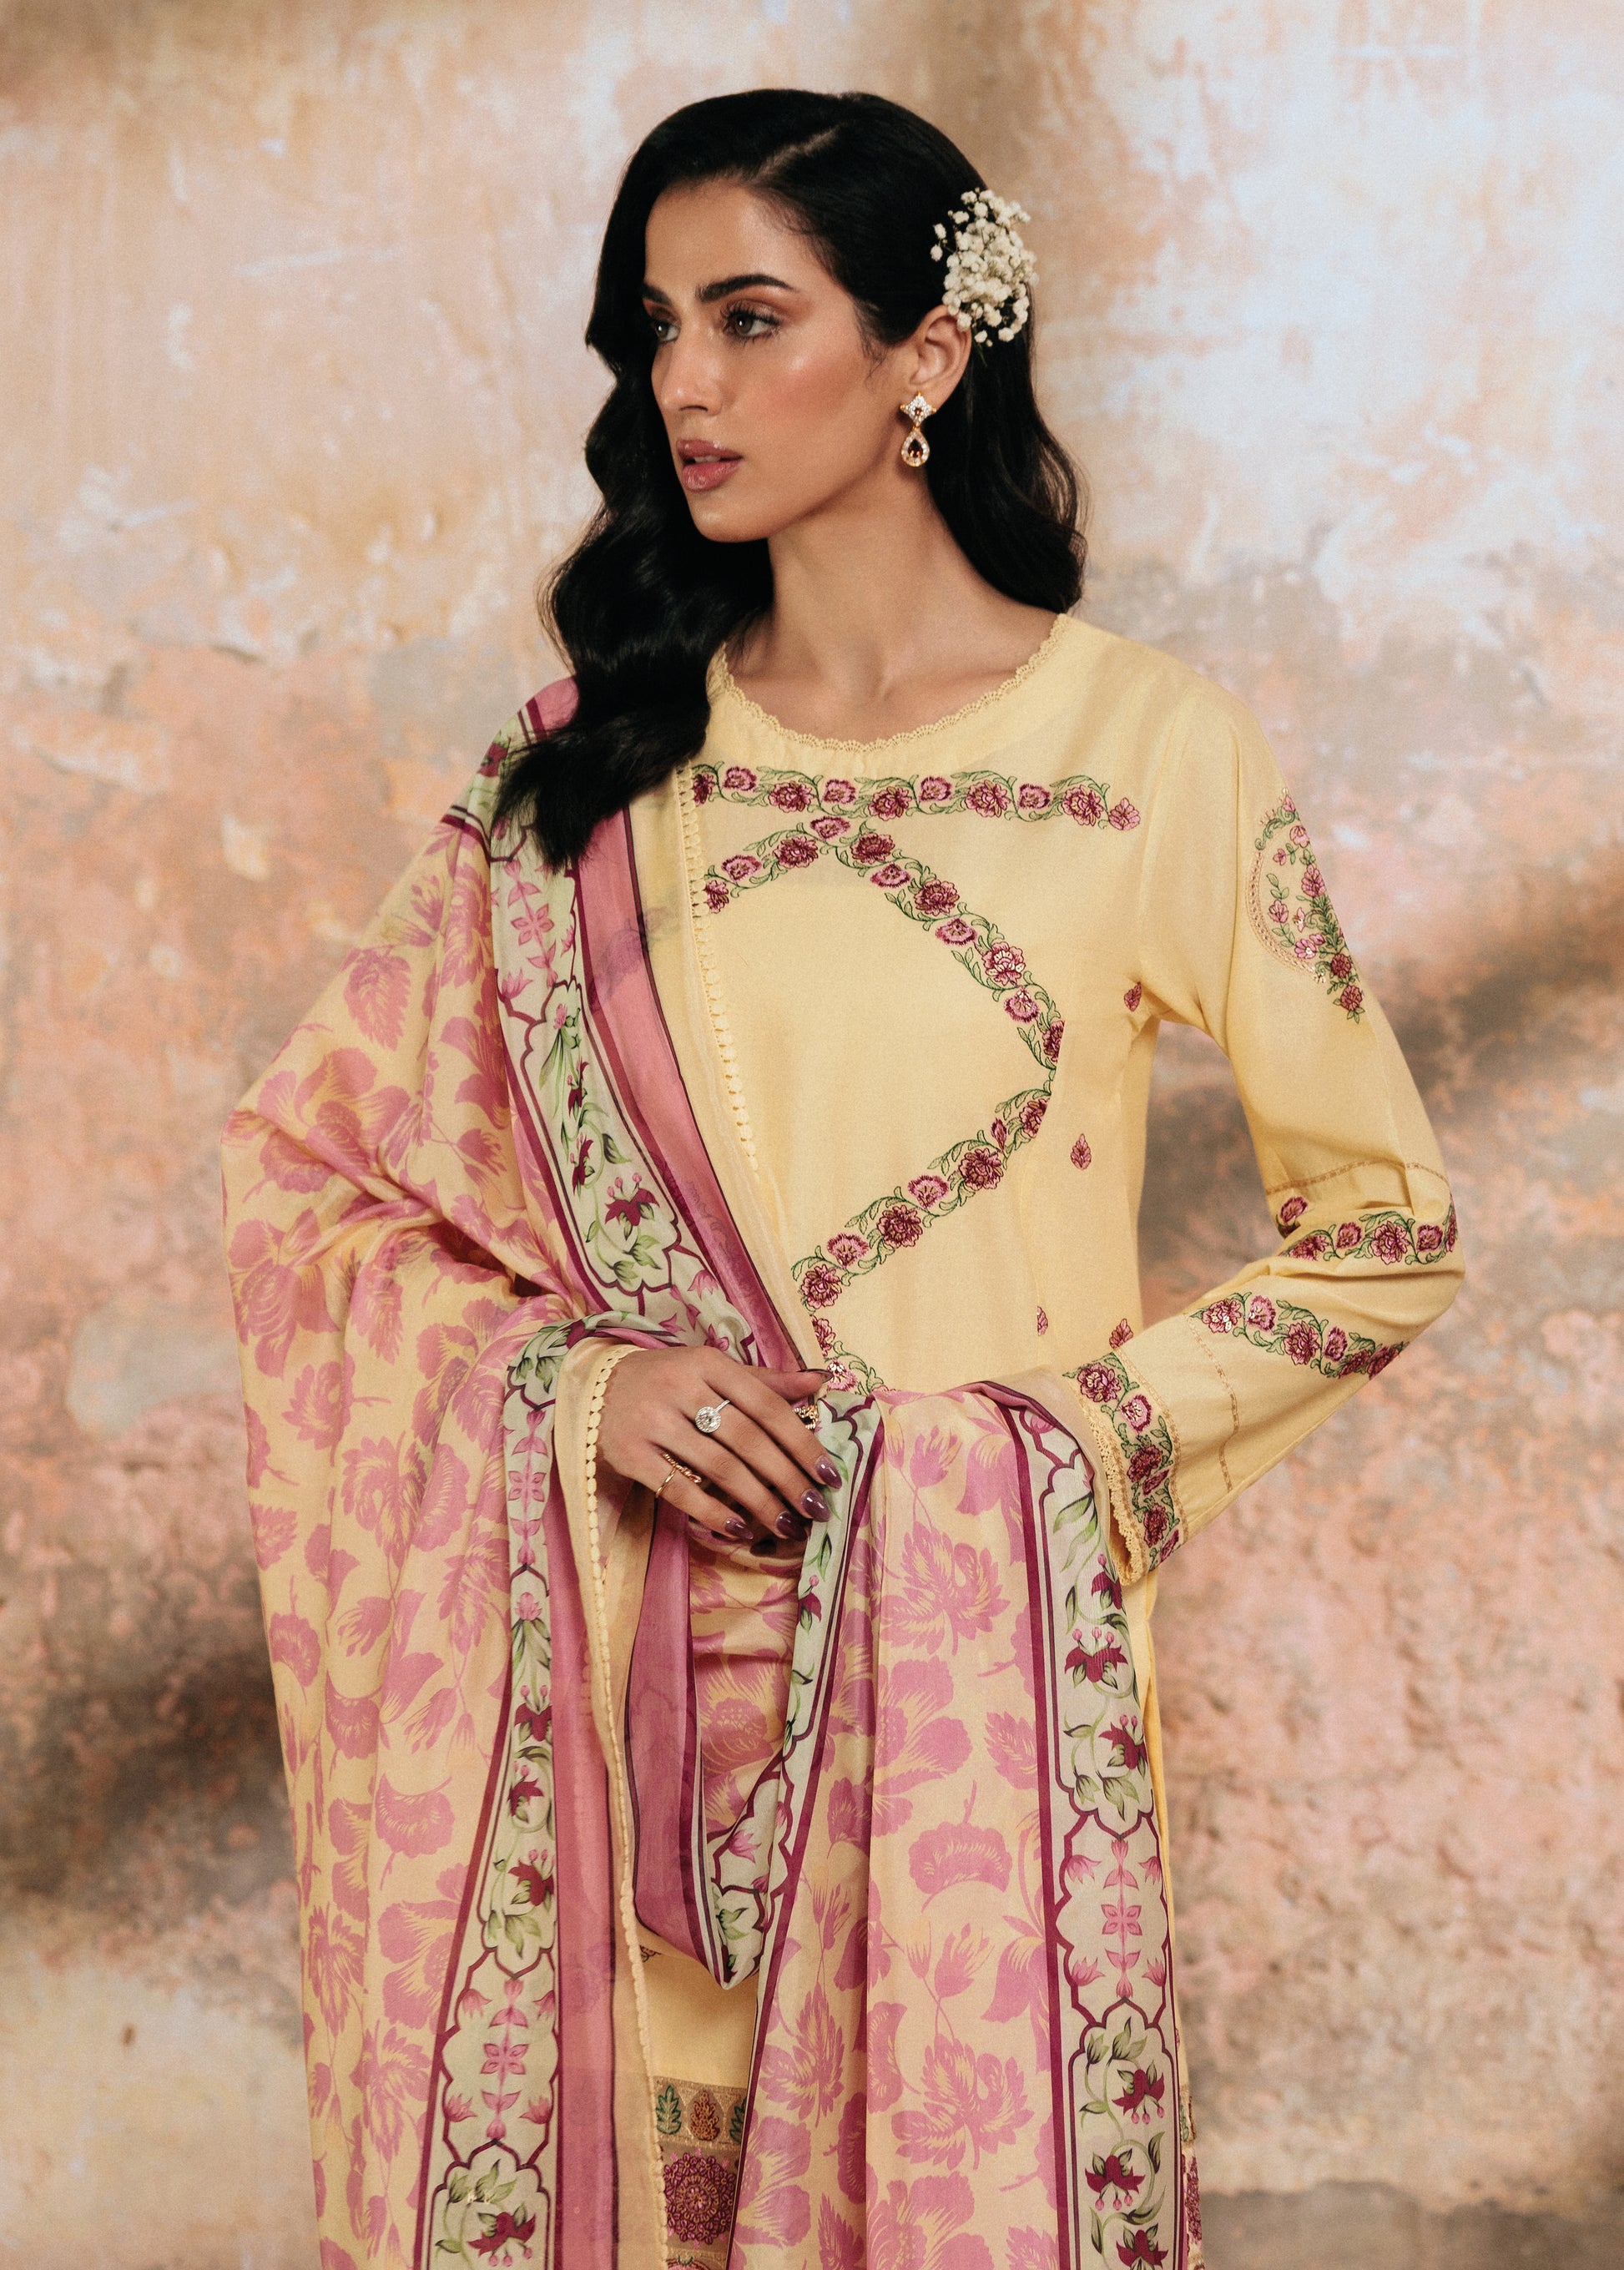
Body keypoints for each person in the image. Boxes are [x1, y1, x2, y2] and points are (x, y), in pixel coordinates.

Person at [223, 88, 1461, 2270]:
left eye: (748, 317)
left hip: (956, 1739)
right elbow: (310, 1184)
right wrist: (575, 1384)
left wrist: (1044, 1451)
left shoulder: (1144, 752)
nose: (682, 385)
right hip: (605, 1744)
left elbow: (1383, 1235)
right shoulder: (582, 776)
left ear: (926, 355)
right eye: (654, 329)